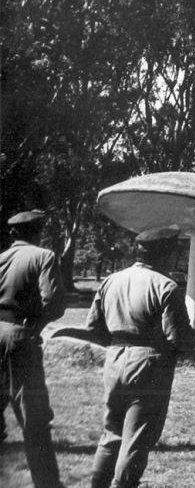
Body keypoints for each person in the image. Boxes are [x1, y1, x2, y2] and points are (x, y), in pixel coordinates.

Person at [86, 226, 195, 488]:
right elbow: (178, 337)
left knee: (111, 433)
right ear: (164, 255)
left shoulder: (111, 280)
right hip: (148, 364)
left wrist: (118, 345)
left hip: (114, 359)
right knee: (137, 438)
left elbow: (94, 328)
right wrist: (193, 338)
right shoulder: (166, 286)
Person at [0, 209, 66, 488]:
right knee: (34, 418)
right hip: (18, 338)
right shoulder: (43, 256)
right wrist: (36, 325)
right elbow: (53, 301)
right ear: (37, 231)